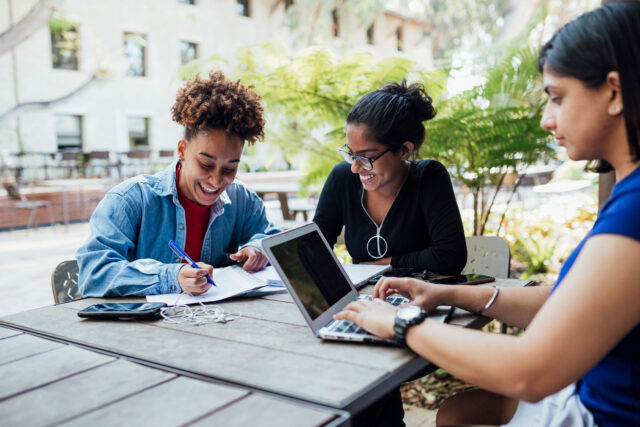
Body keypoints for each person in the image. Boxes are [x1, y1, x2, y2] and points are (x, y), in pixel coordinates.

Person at [335, 2, 640, 426]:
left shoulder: (633, 214)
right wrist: (449, 294)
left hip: (603, 412)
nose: (547, 120)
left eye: (556, 97)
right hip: (588, 391)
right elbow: (564, 300)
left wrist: (401, 323)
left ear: (613, 92)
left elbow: (530, 372)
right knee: (456, 412)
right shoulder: (629, 196)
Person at [76, 71, 279, 297]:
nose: (216, 180)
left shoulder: (243, 200)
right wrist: (172, 276)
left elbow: (272, 238)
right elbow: (93, 273)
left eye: (230, 168)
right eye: (205, 164)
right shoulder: (130, 200)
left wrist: (257, 249)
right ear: (182, 150)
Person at [313, 80, 467, 275]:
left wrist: (384, 264)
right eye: (350, 154)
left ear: (404, 151)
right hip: (364, 298)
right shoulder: (342, 179)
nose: (355, 167)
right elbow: (314, 247)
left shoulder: (429, 177)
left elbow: (450, 256)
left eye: (366, 157)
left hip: (421, 296)